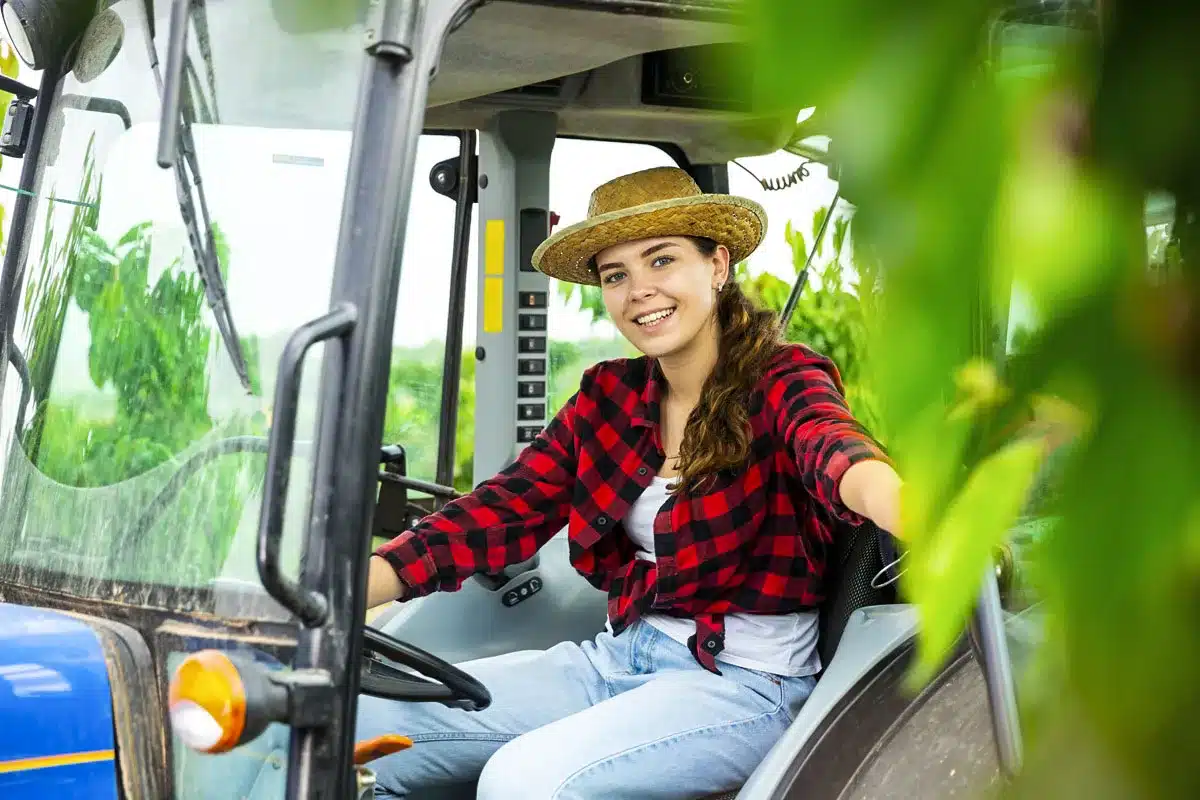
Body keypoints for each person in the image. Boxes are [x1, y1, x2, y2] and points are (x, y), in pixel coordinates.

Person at [357, 166, 904, 799]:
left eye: (661, 260)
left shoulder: (783, 379)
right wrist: (338, 594)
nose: (639, 290)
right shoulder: (608, 396)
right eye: (616, 275)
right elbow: (502, 509)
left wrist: (916, 510)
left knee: (524, 781)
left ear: (717, 265)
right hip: (619, 658)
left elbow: (835, 450)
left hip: (746, 685)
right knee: (360, 724)